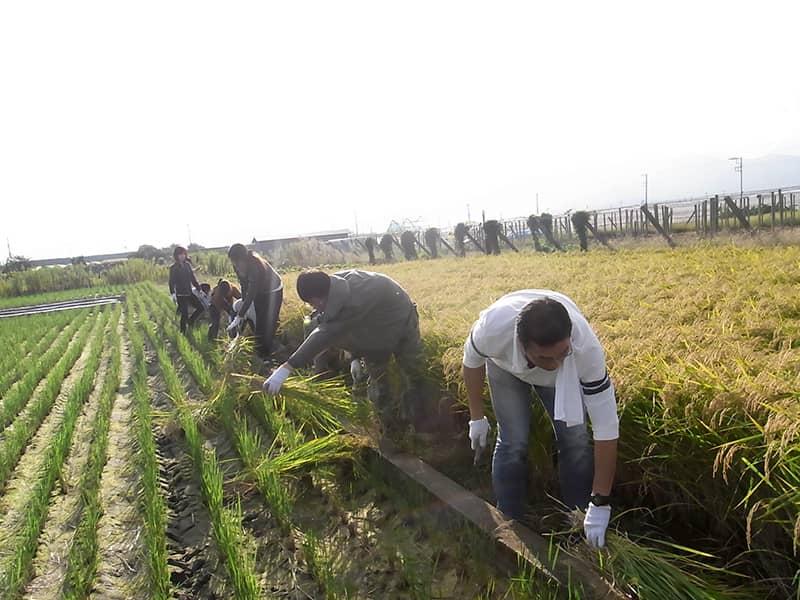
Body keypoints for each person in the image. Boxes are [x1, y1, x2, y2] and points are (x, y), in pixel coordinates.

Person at [462, 290, 618, 548]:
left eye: (561, 354)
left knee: (576, 440)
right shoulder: (493, 329)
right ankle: (510, 524)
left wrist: (600, 501)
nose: (556, 363)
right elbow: (472, 360)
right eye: (546, 357)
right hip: (505, 368)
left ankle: (578, 520)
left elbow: (606, 426)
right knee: (513, 441)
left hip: (563, 381)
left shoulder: (583, 349)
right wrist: (476, 417)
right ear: (522, 343)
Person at [262, 269, 428, 433]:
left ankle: (419, 427)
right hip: (373, 331)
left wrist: (287, 368)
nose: (313, 307)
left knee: (413, 373)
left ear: (319, 299)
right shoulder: (333, 287)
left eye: (312, 303)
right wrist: (355, 357)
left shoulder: (355, 299)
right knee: (378, 380)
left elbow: (326, 334)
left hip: (401, 320)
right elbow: (351, 328)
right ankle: (389, 429)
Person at [227, 244, 283, 357]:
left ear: (244, 258)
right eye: (234, 261)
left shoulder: (255, 266)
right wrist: (243, 302)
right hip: (260, 292)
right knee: (260, 322)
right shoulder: (237, 265)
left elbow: (252, 292)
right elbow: (243, 284)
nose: (236, 265)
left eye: (238, 261)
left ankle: (267, 352)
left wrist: (240, 315)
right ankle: (263, 348)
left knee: (269, 321)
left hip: (273, 290)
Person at [169, 246, 204, 333]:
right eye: (180, 254)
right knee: (184, 314)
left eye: (184, 254)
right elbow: (171, 282)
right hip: (180, 295)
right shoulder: (173, 267)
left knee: (200, 308)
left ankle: (191, 321)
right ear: (176, 256)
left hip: (189, 292)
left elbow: (193, 279)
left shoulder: (187, 265)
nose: (182, 256)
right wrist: (173, 293)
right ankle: (182, 332)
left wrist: (199, 289)